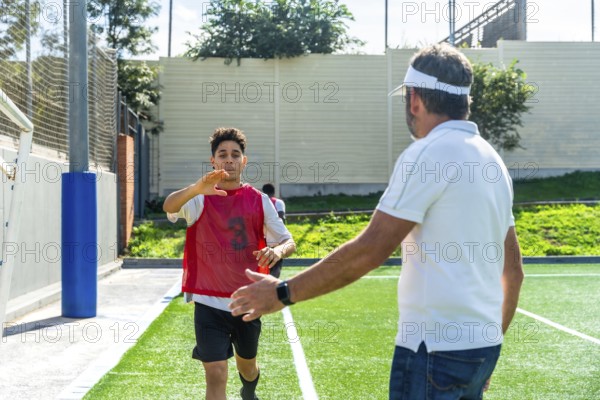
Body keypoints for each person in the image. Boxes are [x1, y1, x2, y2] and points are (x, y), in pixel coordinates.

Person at [229, 44, 524, 400]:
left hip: (432, 352)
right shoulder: (493, 162)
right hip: (483, 348)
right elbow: (514, 271)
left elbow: (370, 250)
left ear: (415, 100)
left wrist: (282, 292)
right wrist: (490, 345)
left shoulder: (427, 154)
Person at [163, 127, 296, 400]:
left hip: (247, 301)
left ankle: (249, 390)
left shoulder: (259, 200)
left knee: (247, 368)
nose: (229, 159)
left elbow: (288, 241)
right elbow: (169, 206)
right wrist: (196, 188)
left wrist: (278, 252)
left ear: (243, 161)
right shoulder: (199, 198)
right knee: (215, 374)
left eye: (235, 154)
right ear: (213, 161)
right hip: (208, 304)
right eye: (222, 154)